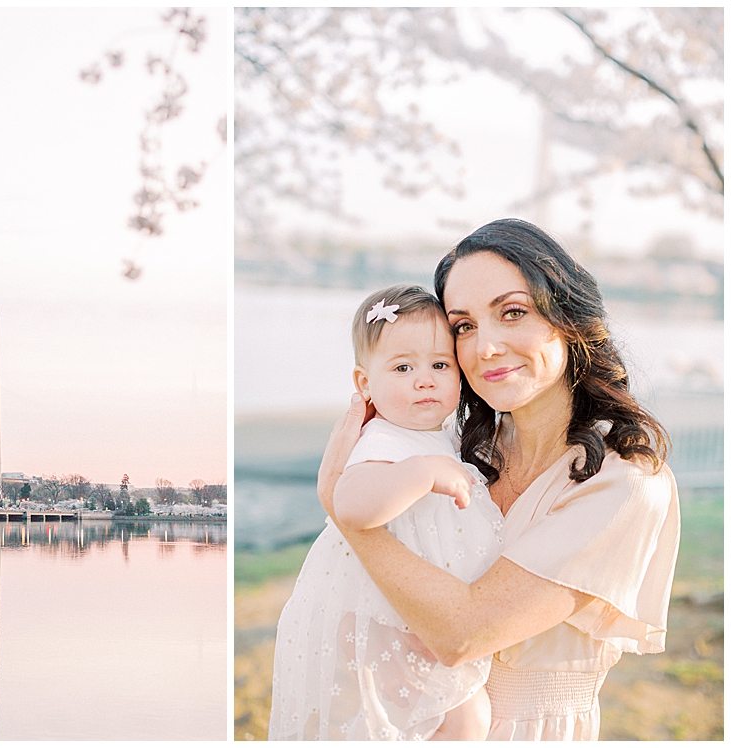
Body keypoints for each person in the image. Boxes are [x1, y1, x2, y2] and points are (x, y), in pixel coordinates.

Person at [316, 219, 680, 740]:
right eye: (463, 326)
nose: (485, 347)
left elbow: (463, 635)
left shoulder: (623, 485)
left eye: (513, 313)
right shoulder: (462, 453)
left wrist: (342, 508)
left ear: (569, 319)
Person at [269, 285, 506, 741]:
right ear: (364, 384)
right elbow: (351, 504)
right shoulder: (383, 440)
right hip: (390, 618)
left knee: (458, 716)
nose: (425, 379)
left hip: (426, 608)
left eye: (440, 365)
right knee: (463, 716)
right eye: (403, 367)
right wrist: (422, 472)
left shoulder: (441, 439)